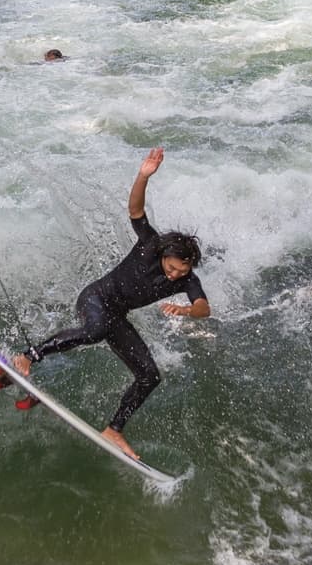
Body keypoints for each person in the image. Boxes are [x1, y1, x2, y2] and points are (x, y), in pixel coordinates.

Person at [11, 147, 209, 461]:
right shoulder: (150, 245)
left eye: (181, 272)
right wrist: (143, 176)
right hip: (95, 298)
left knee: (149, 375)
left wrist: (186, 310)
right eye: (171, 268)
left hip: (116, 315)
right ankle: (28, 356)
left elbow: (203, 307)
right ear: (163, 256)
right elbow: (135, 210)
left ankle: (114, 429)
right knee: (96, 329)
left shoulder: (186, 280)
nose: (174, 276)